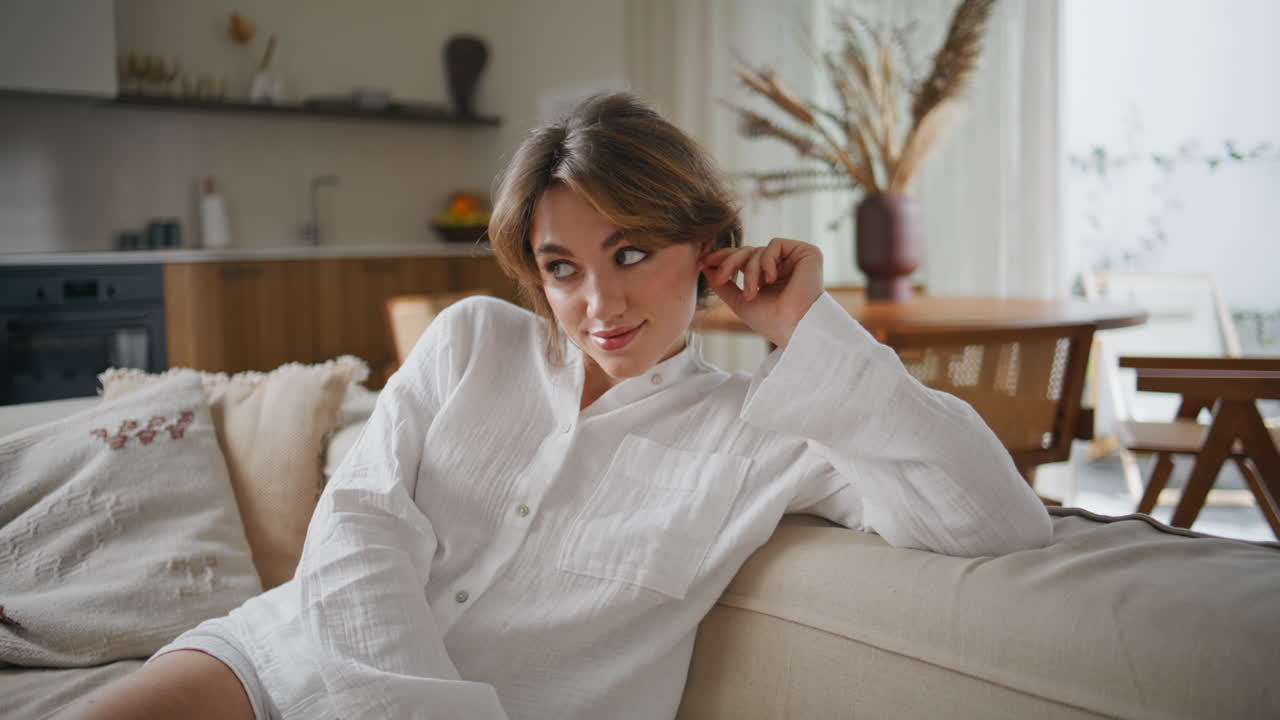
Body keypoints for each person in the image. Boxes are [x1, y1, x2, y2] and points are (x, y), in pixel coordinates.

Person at [58, 92, 1051, 720]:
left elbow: (992, 517)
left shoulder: (769, 428)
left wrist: (809, 327)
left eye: (629, 255)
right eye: (561, 267)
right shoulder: (471, 343)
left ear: (703, 247)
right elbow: (359, 525)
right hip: (281, 663)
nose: (598, 304)